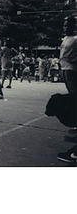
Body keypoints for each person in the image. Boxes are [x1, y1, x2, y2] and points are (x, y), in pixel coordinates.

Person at [55, 16, 77, 162]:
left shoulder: (75, 39)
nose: (65, 27)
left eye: (67, 24)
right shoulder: (66, 38)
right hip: (64, 69)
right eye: (64, 24)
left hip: (72, 70)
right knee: (71, 97)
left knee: (74, 97)